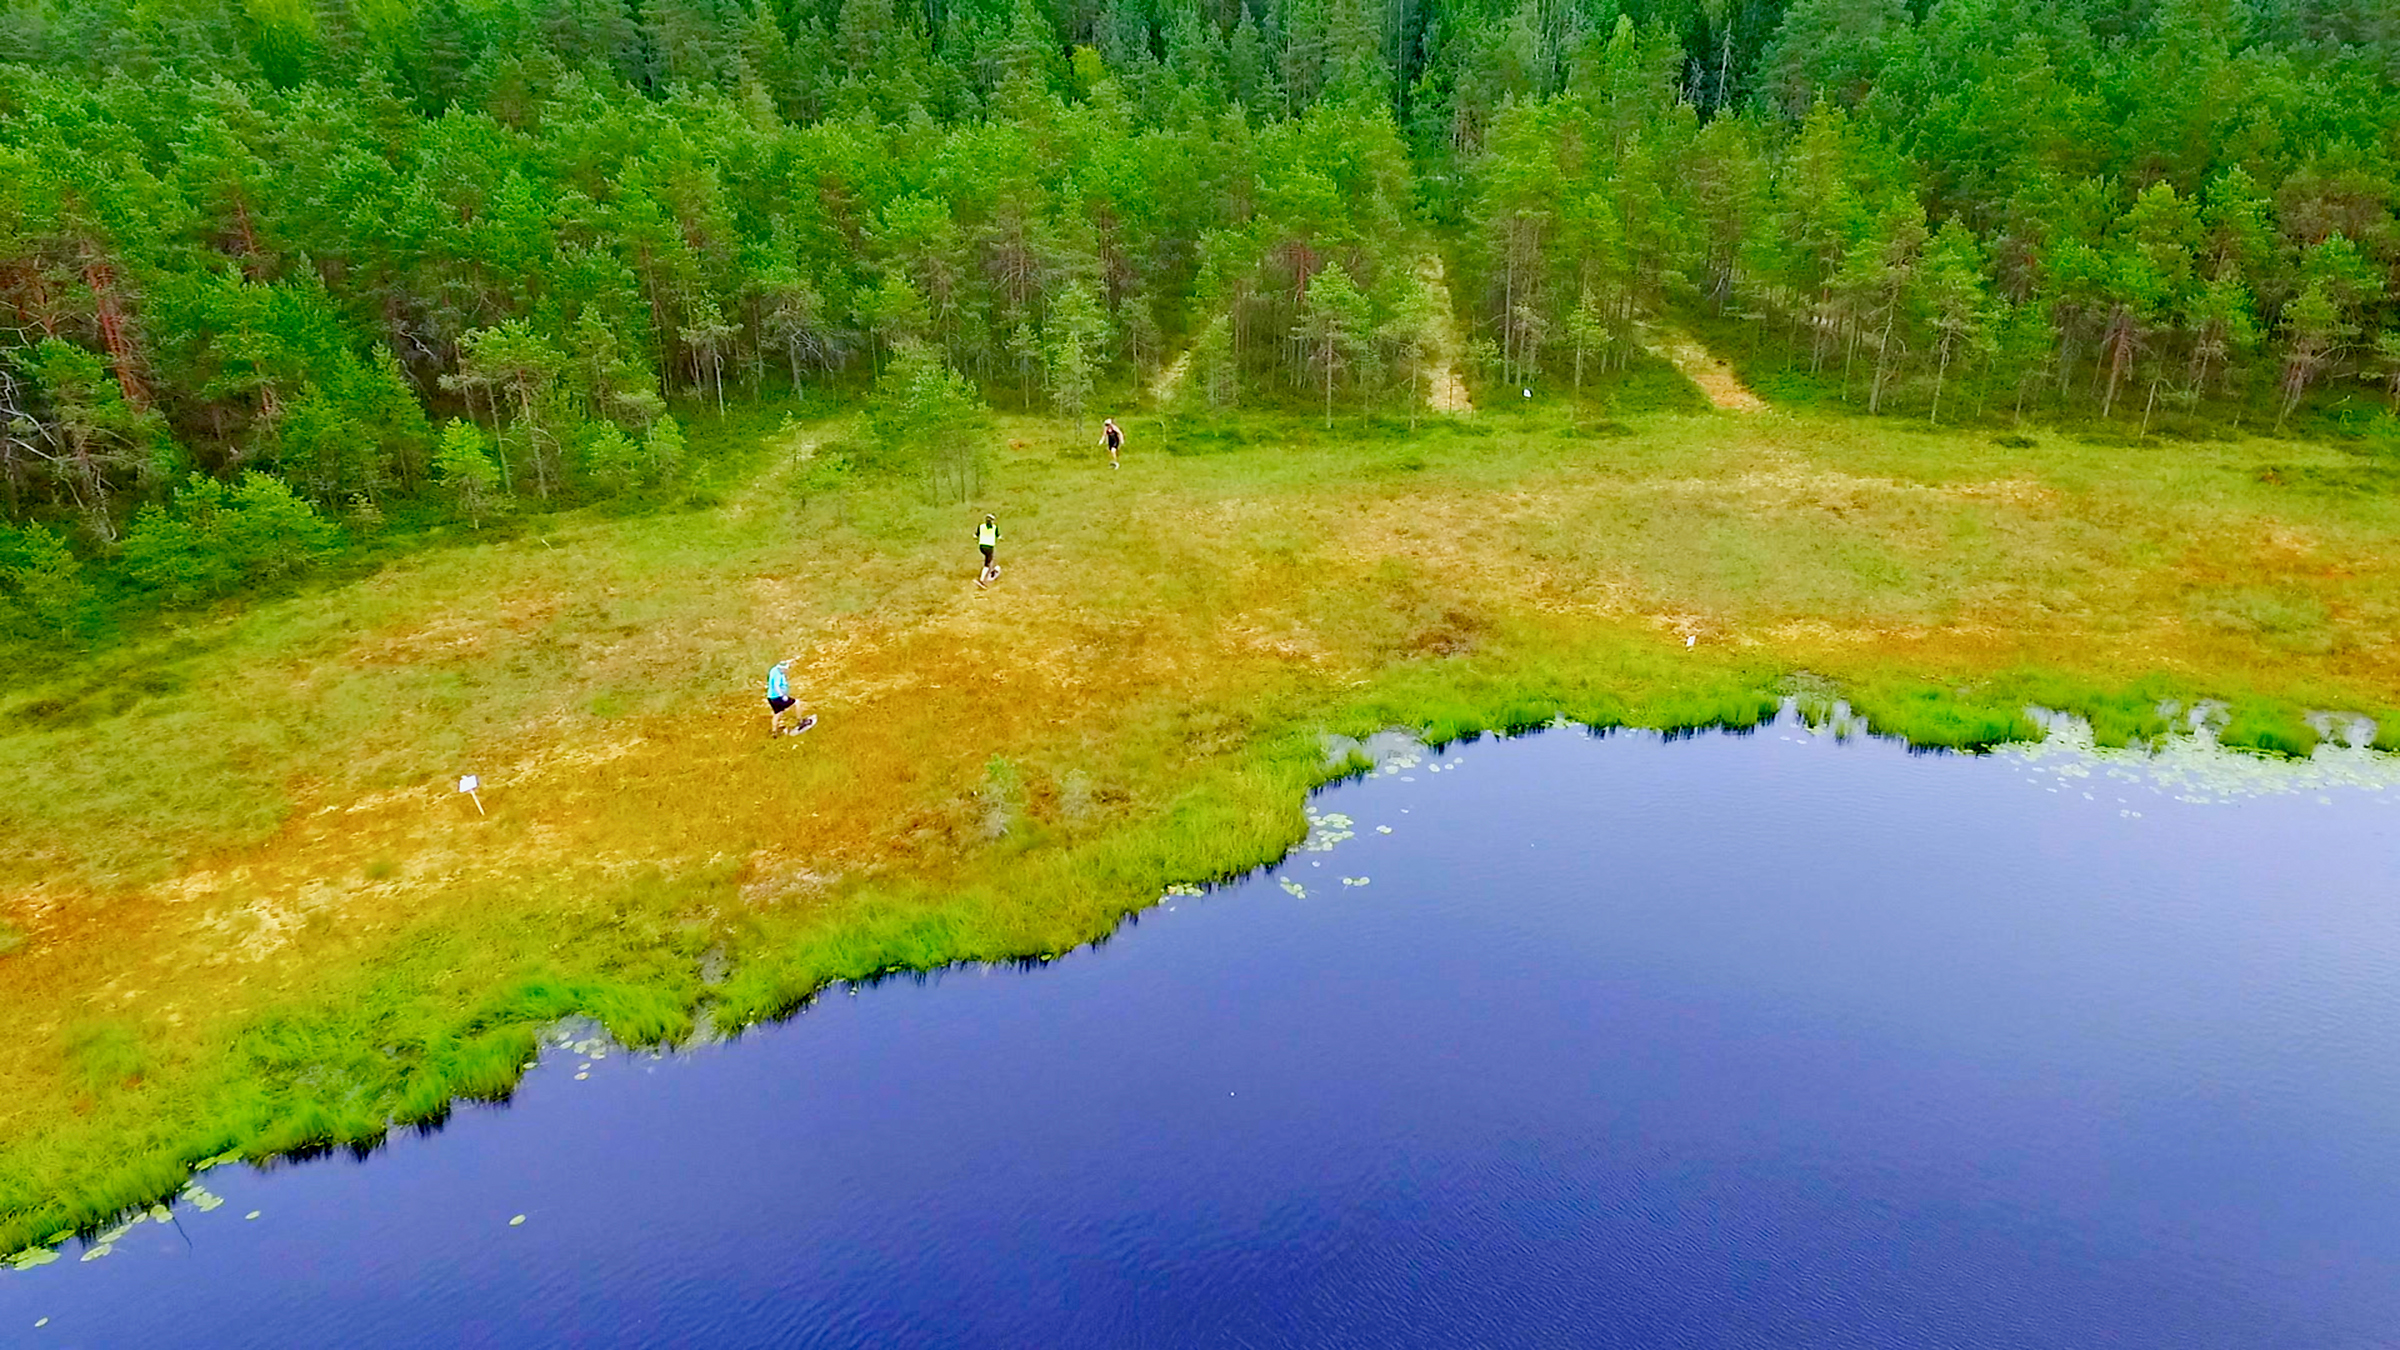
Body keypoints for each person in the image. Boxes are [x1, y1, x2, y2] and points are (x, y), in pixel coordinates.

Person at [765, 657, 805, 737]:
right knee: (797, 703)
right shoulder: (779, 675)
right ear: (781, 669)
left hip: (770, 697)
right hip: (778, 697)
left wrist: (792, 660)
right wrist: (782, 695)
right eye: (785, 669)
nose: (786, 671)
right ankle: (800, 722)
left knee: (778, 713)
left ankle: (774, 732)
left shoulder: (774, 670)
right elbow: (776, 685)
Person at [975, 513, 1000, 586]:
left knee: (989, 560)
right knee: (987, 563)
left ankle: (989, 572)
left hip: (982, 546)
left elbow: (975, 535)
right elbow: (998, 536)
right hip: (989, 546)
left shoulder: (981, 526)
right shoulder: (994, 527)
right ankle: (982, 580)